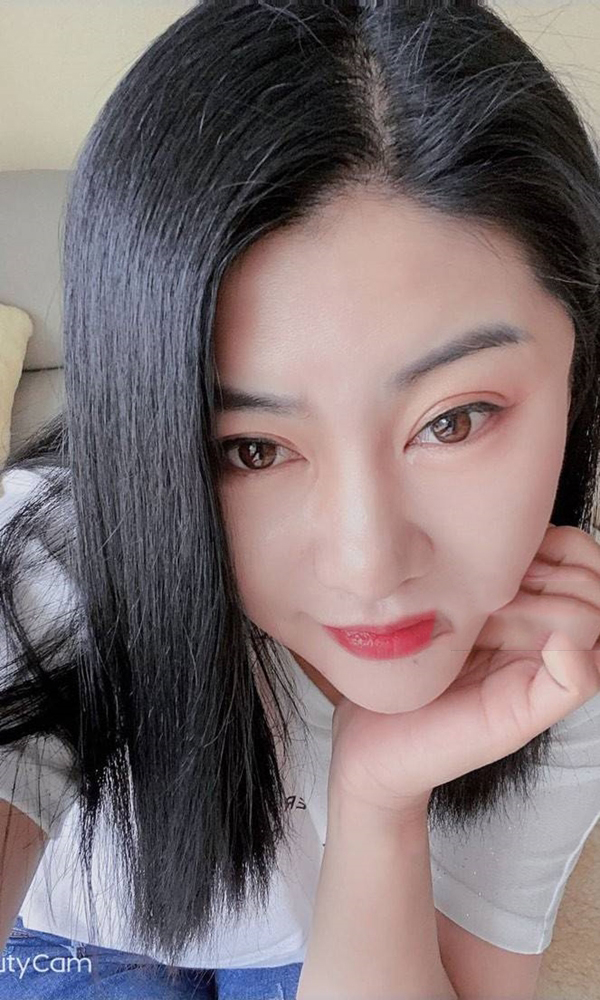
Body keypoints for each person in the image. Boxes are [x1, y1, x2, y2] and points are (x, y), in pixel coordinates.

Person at [1, 0, 600, 996]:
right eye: (251, 448)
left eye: (455, 420)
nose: (370, 565)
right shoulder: (45, 562)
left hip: (329, 931)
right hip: (68, 937)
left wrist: (380, 800)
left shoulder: (552, 644)